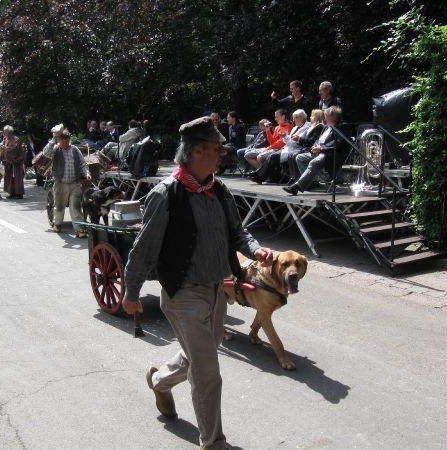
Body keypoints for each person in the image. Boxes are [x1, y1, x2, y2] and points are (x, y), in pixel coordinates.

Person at [121, 116, 273, 450]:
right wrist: (131, 292)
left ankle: (160, 381)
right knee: (207, 372)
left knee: (201, 352)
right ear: (197, 151)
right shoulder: (167, 194)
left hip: (218, 289)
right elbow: (144, 248)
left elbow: (238, 230)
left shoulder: (218, 189)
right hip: (183, 295)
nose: (223, 153)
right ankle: (213, 442)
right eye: (217, 148)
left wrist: (254, 248)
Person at [283, 106, 350, 195]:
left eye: (326, 116)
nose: (324, 119)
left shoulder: (343, 126)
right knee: (300, 157)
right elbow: (319, 140)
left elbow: (338, 142)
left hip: (331, 154)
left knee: (314, 162)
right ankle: (311, 183)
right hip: (320, 152)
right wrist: (315, 146)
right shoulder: (326, 127)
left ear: (334, 117)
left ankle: (298, 186)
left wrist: (321, 148)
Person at [42, 128, 91, 237]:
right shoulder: (55, 149)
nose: (64, 143)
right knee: (59, 206)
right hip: (61, 183)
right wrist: (53, 139)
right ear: (59, 140)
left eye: (66, 141)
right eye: (62, 141)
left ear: (69, 139)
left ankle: (79, 230)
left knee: (76, 206)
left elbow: (83, 164)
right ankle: (58, 224)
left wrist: (87, 173)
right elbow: (46, 153)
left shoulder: (75, 150)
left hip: (74, 183)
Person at [248, 109, 311, 184]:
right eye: (293, 118)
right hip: (286, 148)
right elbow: (275, 142)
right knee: (269, 156)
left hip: (294, 149)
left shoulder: (306, 127)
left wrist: (285, 138)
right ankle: (260, 175)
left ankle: (260, 175)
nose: (293, 120)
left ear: (302, 118)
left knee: (271, 156)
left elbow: (294, 142)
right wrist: (270, 132)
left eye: (296, 118)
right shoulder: (293, 127)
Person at [0, 125, 25, 199]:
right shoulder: (5, 139)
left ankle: (18, 193)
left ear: (10, 131)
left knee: (16, 177)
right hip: (8, 162)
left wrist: (6, 148)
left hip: (15, 162)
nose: (4, 132)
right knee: (9, 177)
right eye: (4, 131)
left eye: (6, 131)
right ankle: (12, 192)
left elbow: (15, 149)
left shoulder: (16, 139)